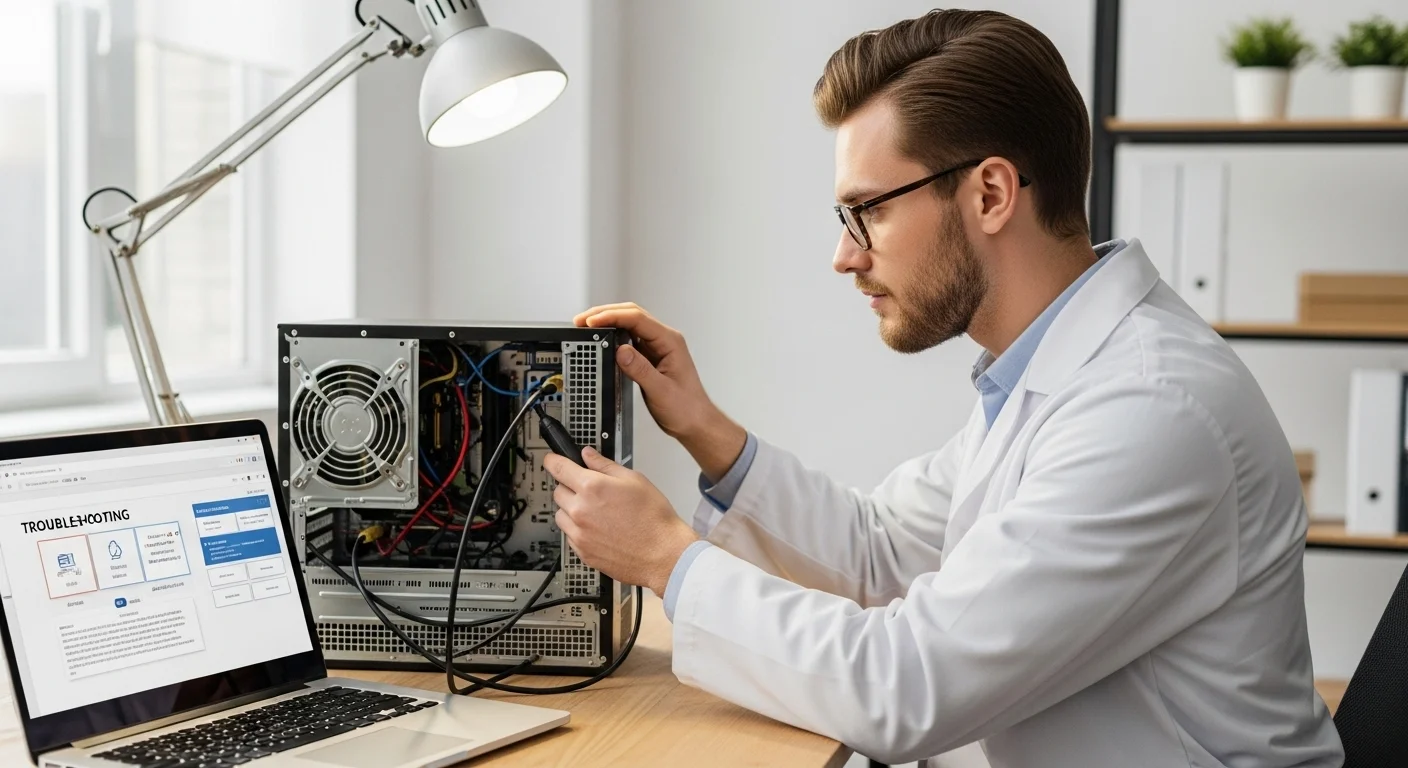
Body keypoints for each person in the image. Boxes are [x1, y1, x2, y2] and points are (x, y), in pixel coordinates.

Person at [542, 9, 1345, 767]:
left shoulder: (1150, 410)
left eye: (867, 213)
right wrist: (704, 430)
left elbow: (907, 683)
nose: (845, 256)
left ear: (990, 194)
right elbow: (885, 551)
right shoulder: (1048, 372)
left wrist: (667, 560)